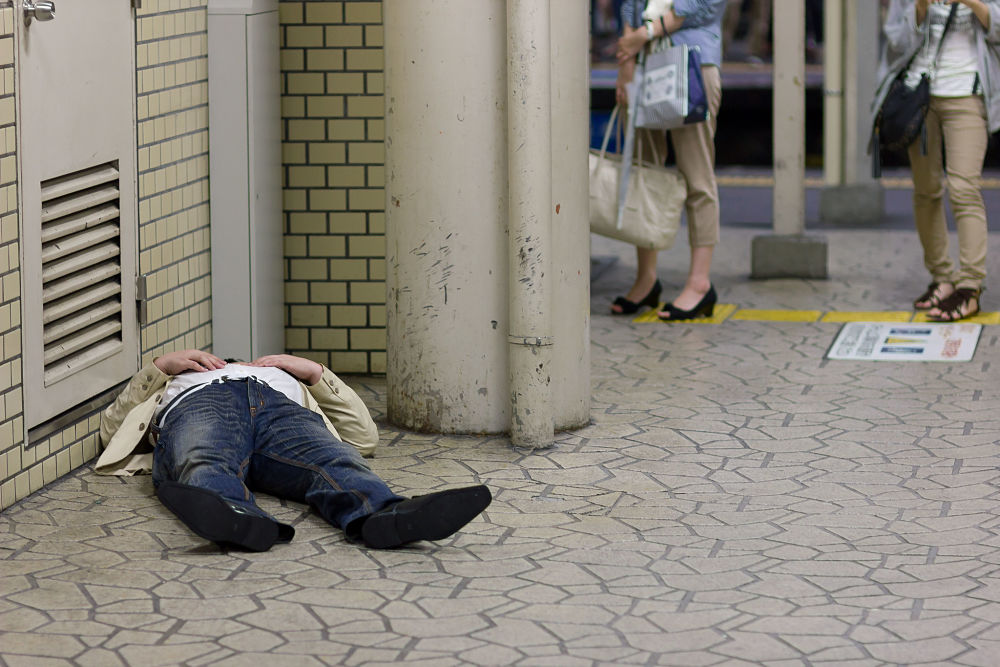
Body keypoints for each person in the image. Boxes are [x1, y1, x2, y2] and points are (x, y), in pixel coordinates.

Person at [96, 349, 492, 551]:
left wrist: (314, 373)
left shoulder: (282, 377)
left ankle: (385, 514)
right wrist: (161, 367)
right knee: (203, 459)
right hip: (204, 403)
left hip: (280, 409)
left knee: (334, 460)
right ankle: (237, 517)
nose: (232, 360)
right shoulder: (182, 377)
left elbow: (362, 436)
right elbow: (112, 430)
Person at [875, 0, 1000, 321]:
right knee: (926, 190)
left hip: (969, 95)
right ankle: (941, 277)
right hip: (921, 95)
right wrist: (919, 8)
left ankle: (969, 286)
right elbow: (896, 41)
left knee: (963, 188)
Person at [611, 0, 727, 321]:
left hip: (693, 60)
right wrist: (626, 61)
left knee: (697, 175)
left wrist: (647, 33)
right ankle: (646, 279)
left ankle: (700, 284)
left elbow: (704, 3)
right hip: (643, 64)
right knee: (643, 174)